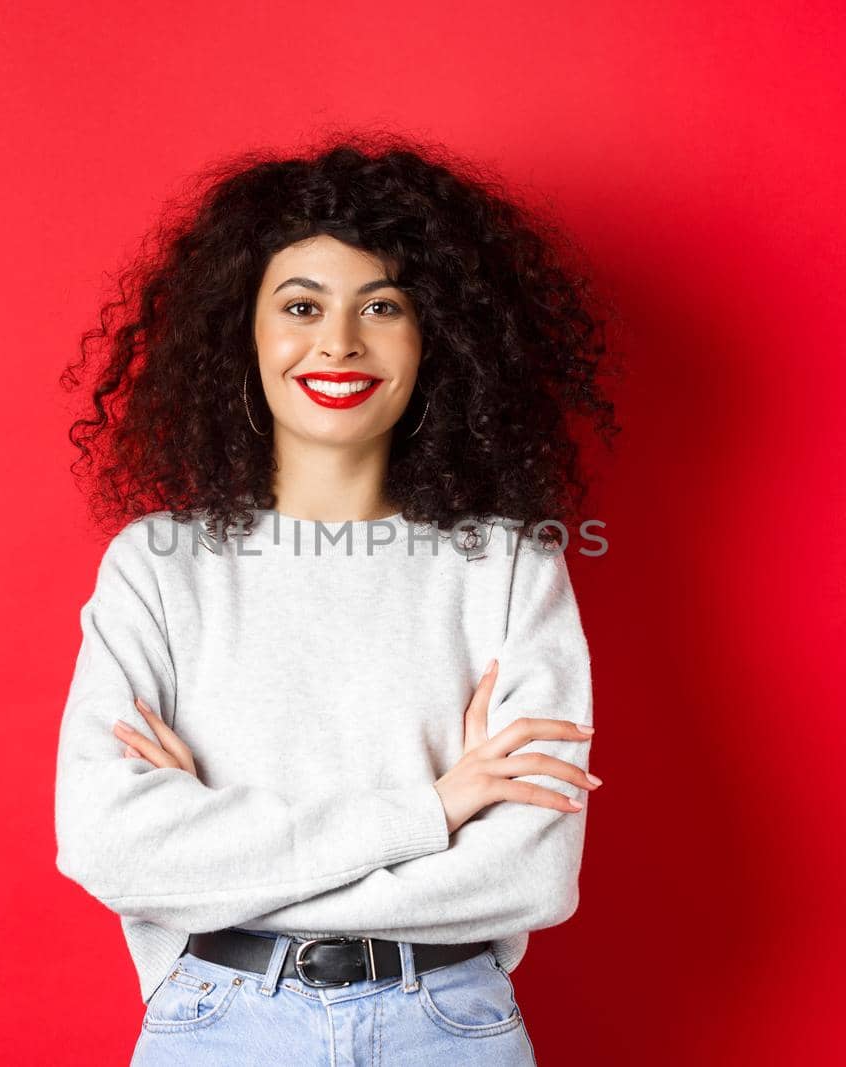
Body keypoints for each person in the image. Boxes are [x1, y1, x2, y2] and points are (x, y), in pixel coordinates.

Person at [53, 132, 621, 1066]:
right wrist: (432, 810)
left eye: (382, 305)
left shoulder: (510, 566)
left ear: (432, 336)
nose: (340, 341)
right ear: (246, 331)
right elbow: (110, 850)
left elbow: (532, 876)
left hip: (450, 1027)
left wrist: (215, 857)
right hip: (221, 1026)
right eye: (302, 304)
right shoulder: (155, 566)